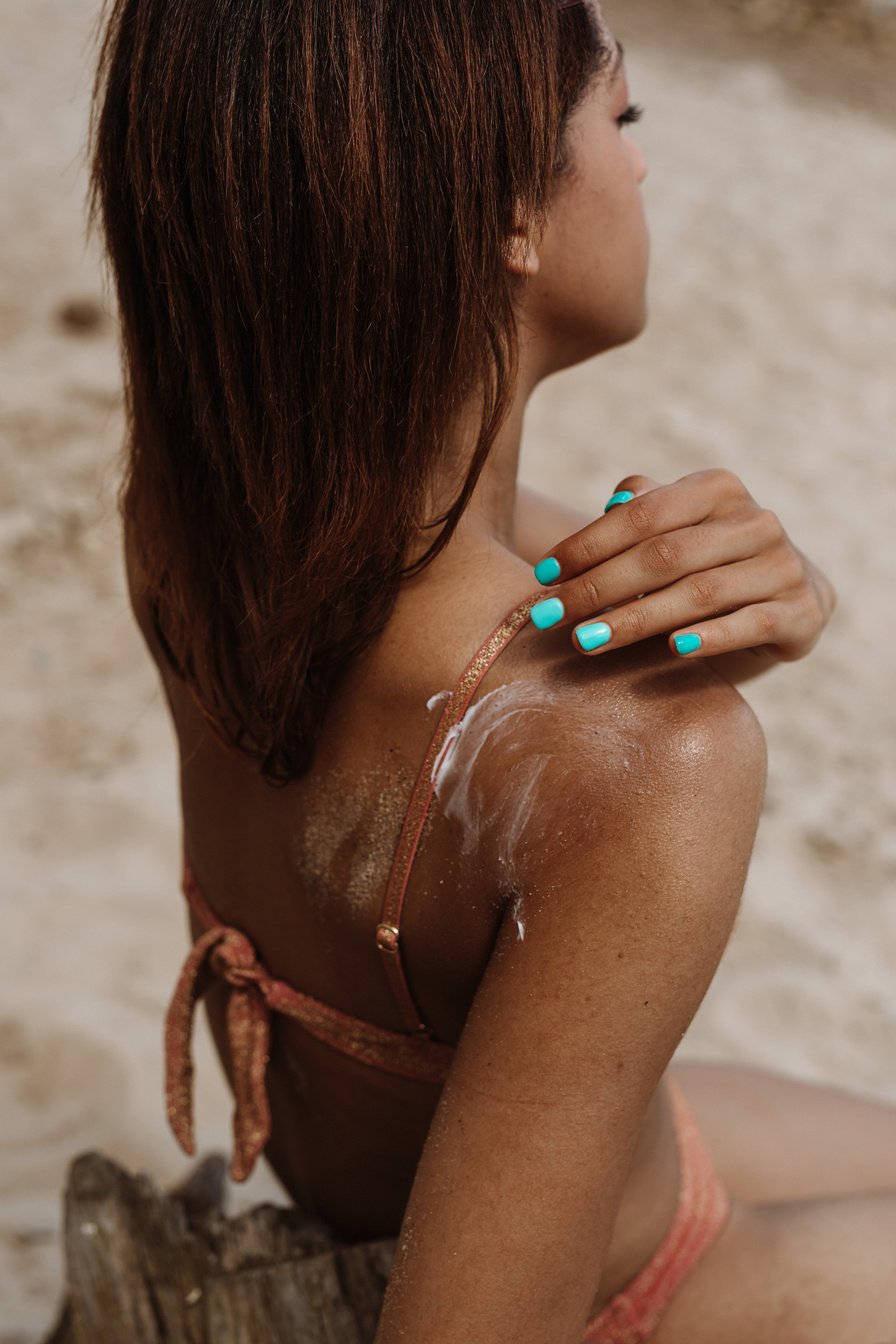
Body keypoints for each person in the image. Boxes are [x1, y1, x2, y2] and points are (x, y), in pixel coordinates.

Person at [87, 0, 896, 1339]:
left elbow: (491, 558)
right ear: (504, 215)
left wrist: (796, 593)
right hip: (636, 1285)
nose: (639, 164)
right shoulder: (639, 756)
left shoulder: (199, 519)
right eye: (621, 118)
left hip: (520, 1175)